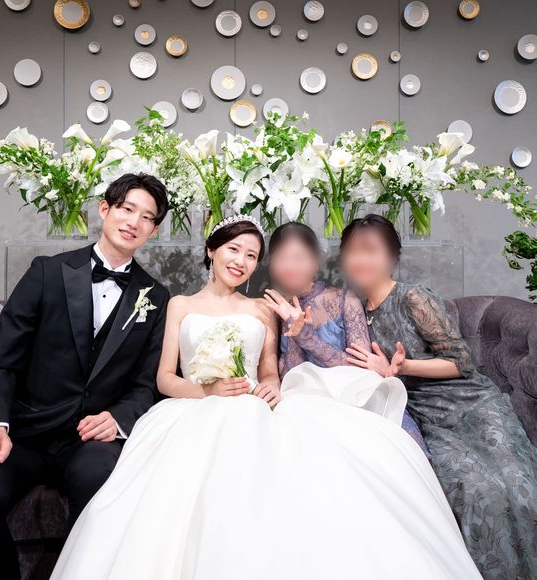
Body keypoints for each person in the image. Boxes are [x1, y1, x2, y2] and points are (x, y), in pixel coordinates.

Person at [51, 215, 481, 580]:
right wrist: (206, 390)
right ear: (211, 250)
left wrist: (272, 384)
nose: (241, 261)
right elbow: (164, 378)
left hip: (253, 406)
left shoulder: (262, 309)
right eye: (233, 250)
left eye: (252, 255)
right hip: (192, 411)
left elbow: (270, 369)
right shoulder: (179, 304)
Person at [0, 173, 170, 580]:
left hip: (89, 440)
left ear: (154, 230)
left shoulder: (156, 297)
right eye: (127, 209)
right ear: (105, 209)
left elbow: (147, 383)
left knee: (104, 491)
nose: (134, 222)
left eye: (147, 217)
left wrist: (119, 418)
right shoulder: (47, 272)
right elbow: (1, 360)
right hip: (24, 431)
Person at [339, 213, 537, 580]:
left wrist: (403, 367)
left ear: (391, 256)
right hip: (425, 417)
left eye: (371, 250)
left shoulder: (412, 297)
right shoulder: (353, 313)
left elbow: (460, 362)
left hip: (470, 403)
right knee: (475, 489)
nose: (360, 259)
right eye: (352, 251)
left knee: (519, 483)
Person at [264, 222, 428, 454]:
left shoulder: (344, 300)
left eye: (299, 258)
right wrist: (292, 329)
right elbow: (292, 378)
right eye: (281, 258)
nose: (290, 266)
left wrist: (305, 336)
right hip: (306, 405)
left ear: (316, 262)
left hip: (356, 397)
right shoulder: (275, 309)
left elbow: (361, 368)